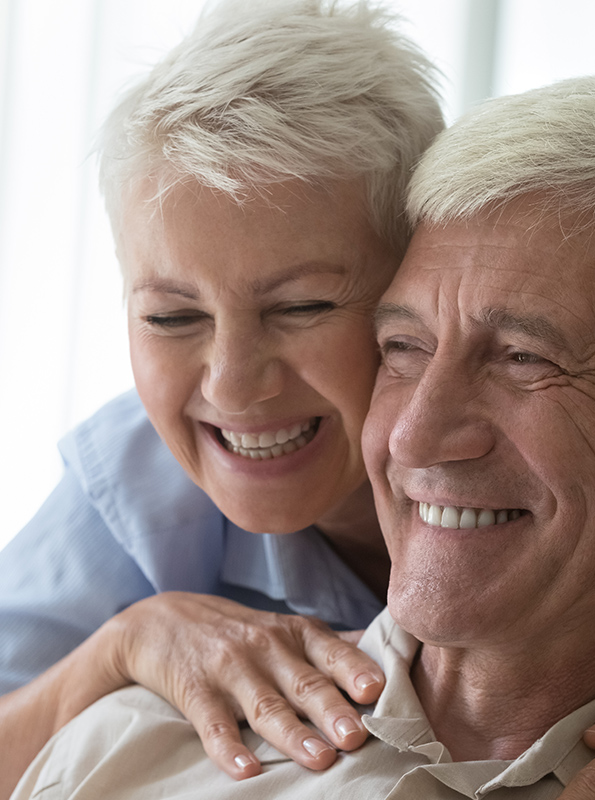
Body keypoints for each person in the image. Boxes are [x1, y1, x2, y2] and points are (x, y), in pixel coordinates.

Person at [12, 73, 595, 800]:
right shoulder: (124, 745)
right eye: (404, 349)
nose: (416, 437)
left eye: (526, 359)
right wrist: (123, 647)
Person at [0, 0, 443, 795]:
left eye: (302, 306)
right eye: (172, 316)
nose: (233, 385)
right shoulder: (135, 484)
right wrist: (124, 645)